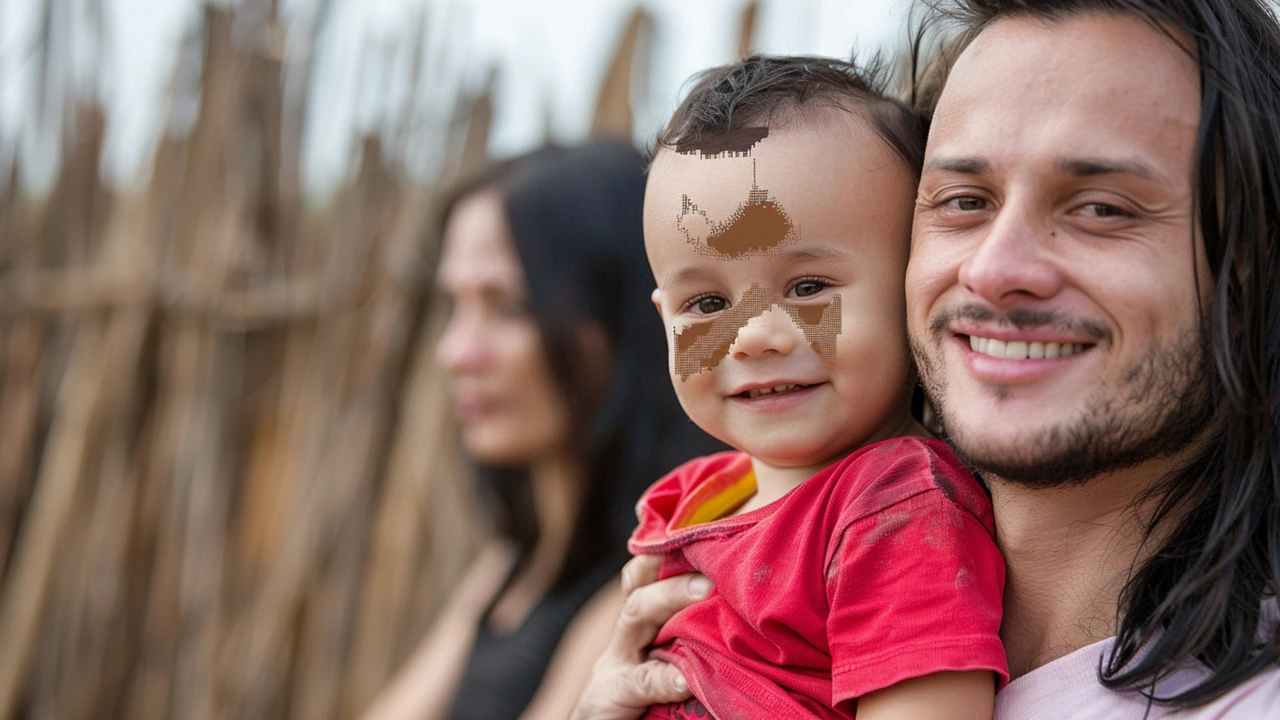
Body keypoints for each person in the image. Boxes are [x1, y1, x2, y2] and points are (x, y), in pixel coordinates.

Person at [571, 0, 1280, 718]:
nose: (996, 268)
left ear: (1252, 264)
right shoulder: (709, 511)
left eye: (1102, 208)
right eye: (965, 201)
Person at [629, 55, 1006, 720]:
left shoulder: (896, 511)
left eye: (807, 289)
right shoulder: (704, 498)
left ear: (911, 289)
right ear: (664, 319)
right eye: (707, 304)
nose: (752, 336)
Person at [363, 142, 719, 720]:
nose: (455, 352)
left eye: (507, 305)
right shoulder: (508, 566)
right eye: (456, 304)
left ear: (629, 320)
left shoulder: (657, 585)